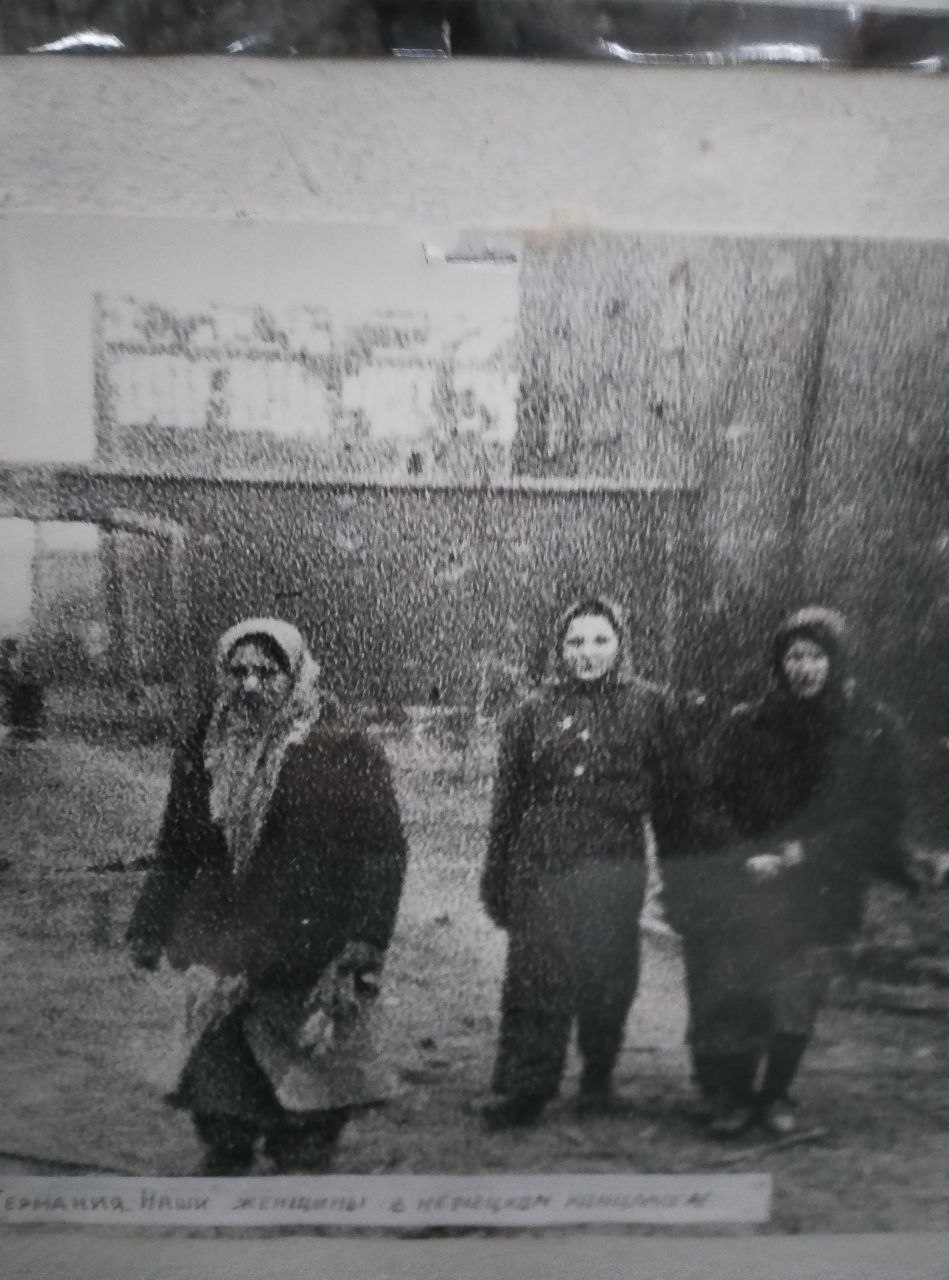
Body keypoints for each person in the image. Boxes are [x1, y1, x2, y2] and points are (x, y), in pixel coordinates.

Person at [127, 618, 408, 1174]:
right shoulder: (207, 741)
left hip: (308, 932)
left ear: (295, 673)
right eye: (237, 672)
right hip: (227, 935)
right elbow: (177, 844)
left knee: (307, 1067)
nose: (250, 685)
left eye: (267, 672)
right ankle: (226, 1146)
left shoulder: (342, 743)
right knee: (222, 1056)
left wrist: (366, 938)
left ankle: (303, 1153)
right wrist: (150, 922)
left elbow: (383, 850)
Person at [665, 606, 919, 1139]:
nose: (804, 668)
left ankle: (777, 1092)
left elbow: (882, 817)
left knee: (798, 995)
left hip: (824, 885)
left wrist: (807, 853)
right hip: (751, 881)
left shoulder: (873, 728)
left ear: (838, 660)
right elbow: (705, 801)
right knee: (739, 987)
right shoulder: (746, 723)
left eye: (817, 656)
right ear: (779, 662)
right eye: (794, 656)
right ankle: (733, 1096)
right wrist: (744, 854)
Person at [479, 595, 695, 1129]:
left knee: (607, 973)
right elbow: (507, 806)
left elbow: (675, 803)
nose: (587, 652)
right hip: (540, 861)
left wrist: (682, 877)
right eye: (575, 641)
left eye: (600, 640)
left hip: (613, 862)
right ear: (560, 648)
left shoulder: (652, 708)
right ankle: (527, 1087)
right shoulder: (530, 714)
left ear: (621, 644)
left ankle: (598, 1075)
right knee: (535, 973)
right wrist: (497, 874)